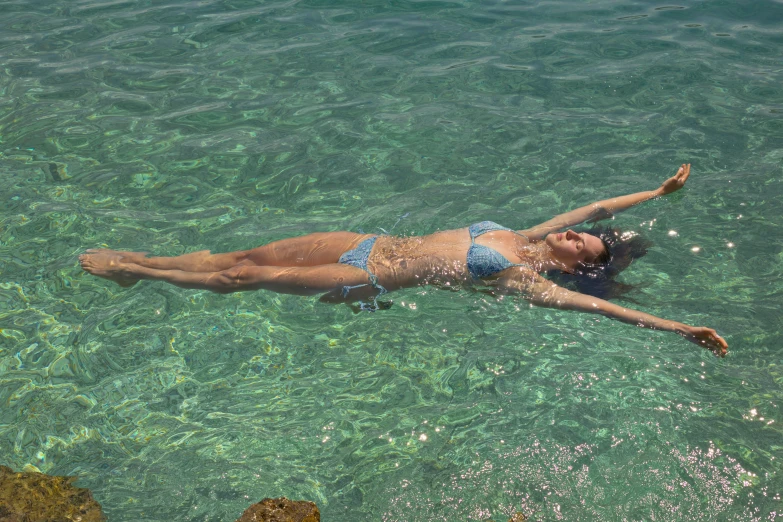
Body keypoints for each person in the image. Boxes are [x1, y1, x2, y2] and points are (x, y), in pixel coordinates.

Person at [79, 164, 728, 356]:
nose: (582, 238)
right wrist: (658, 193)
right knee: (240, 253)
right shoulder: (527, 233)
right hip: (360, 238)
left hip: (367, 272)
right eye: (585, 238)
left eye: (587, 249)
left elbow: (597, 308)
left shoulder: (524, 280)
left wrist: (679, 330)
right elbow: (595, 207)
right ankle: (153, 256)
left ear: (571, 264)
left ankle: (139, 273)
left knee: (241, 278)